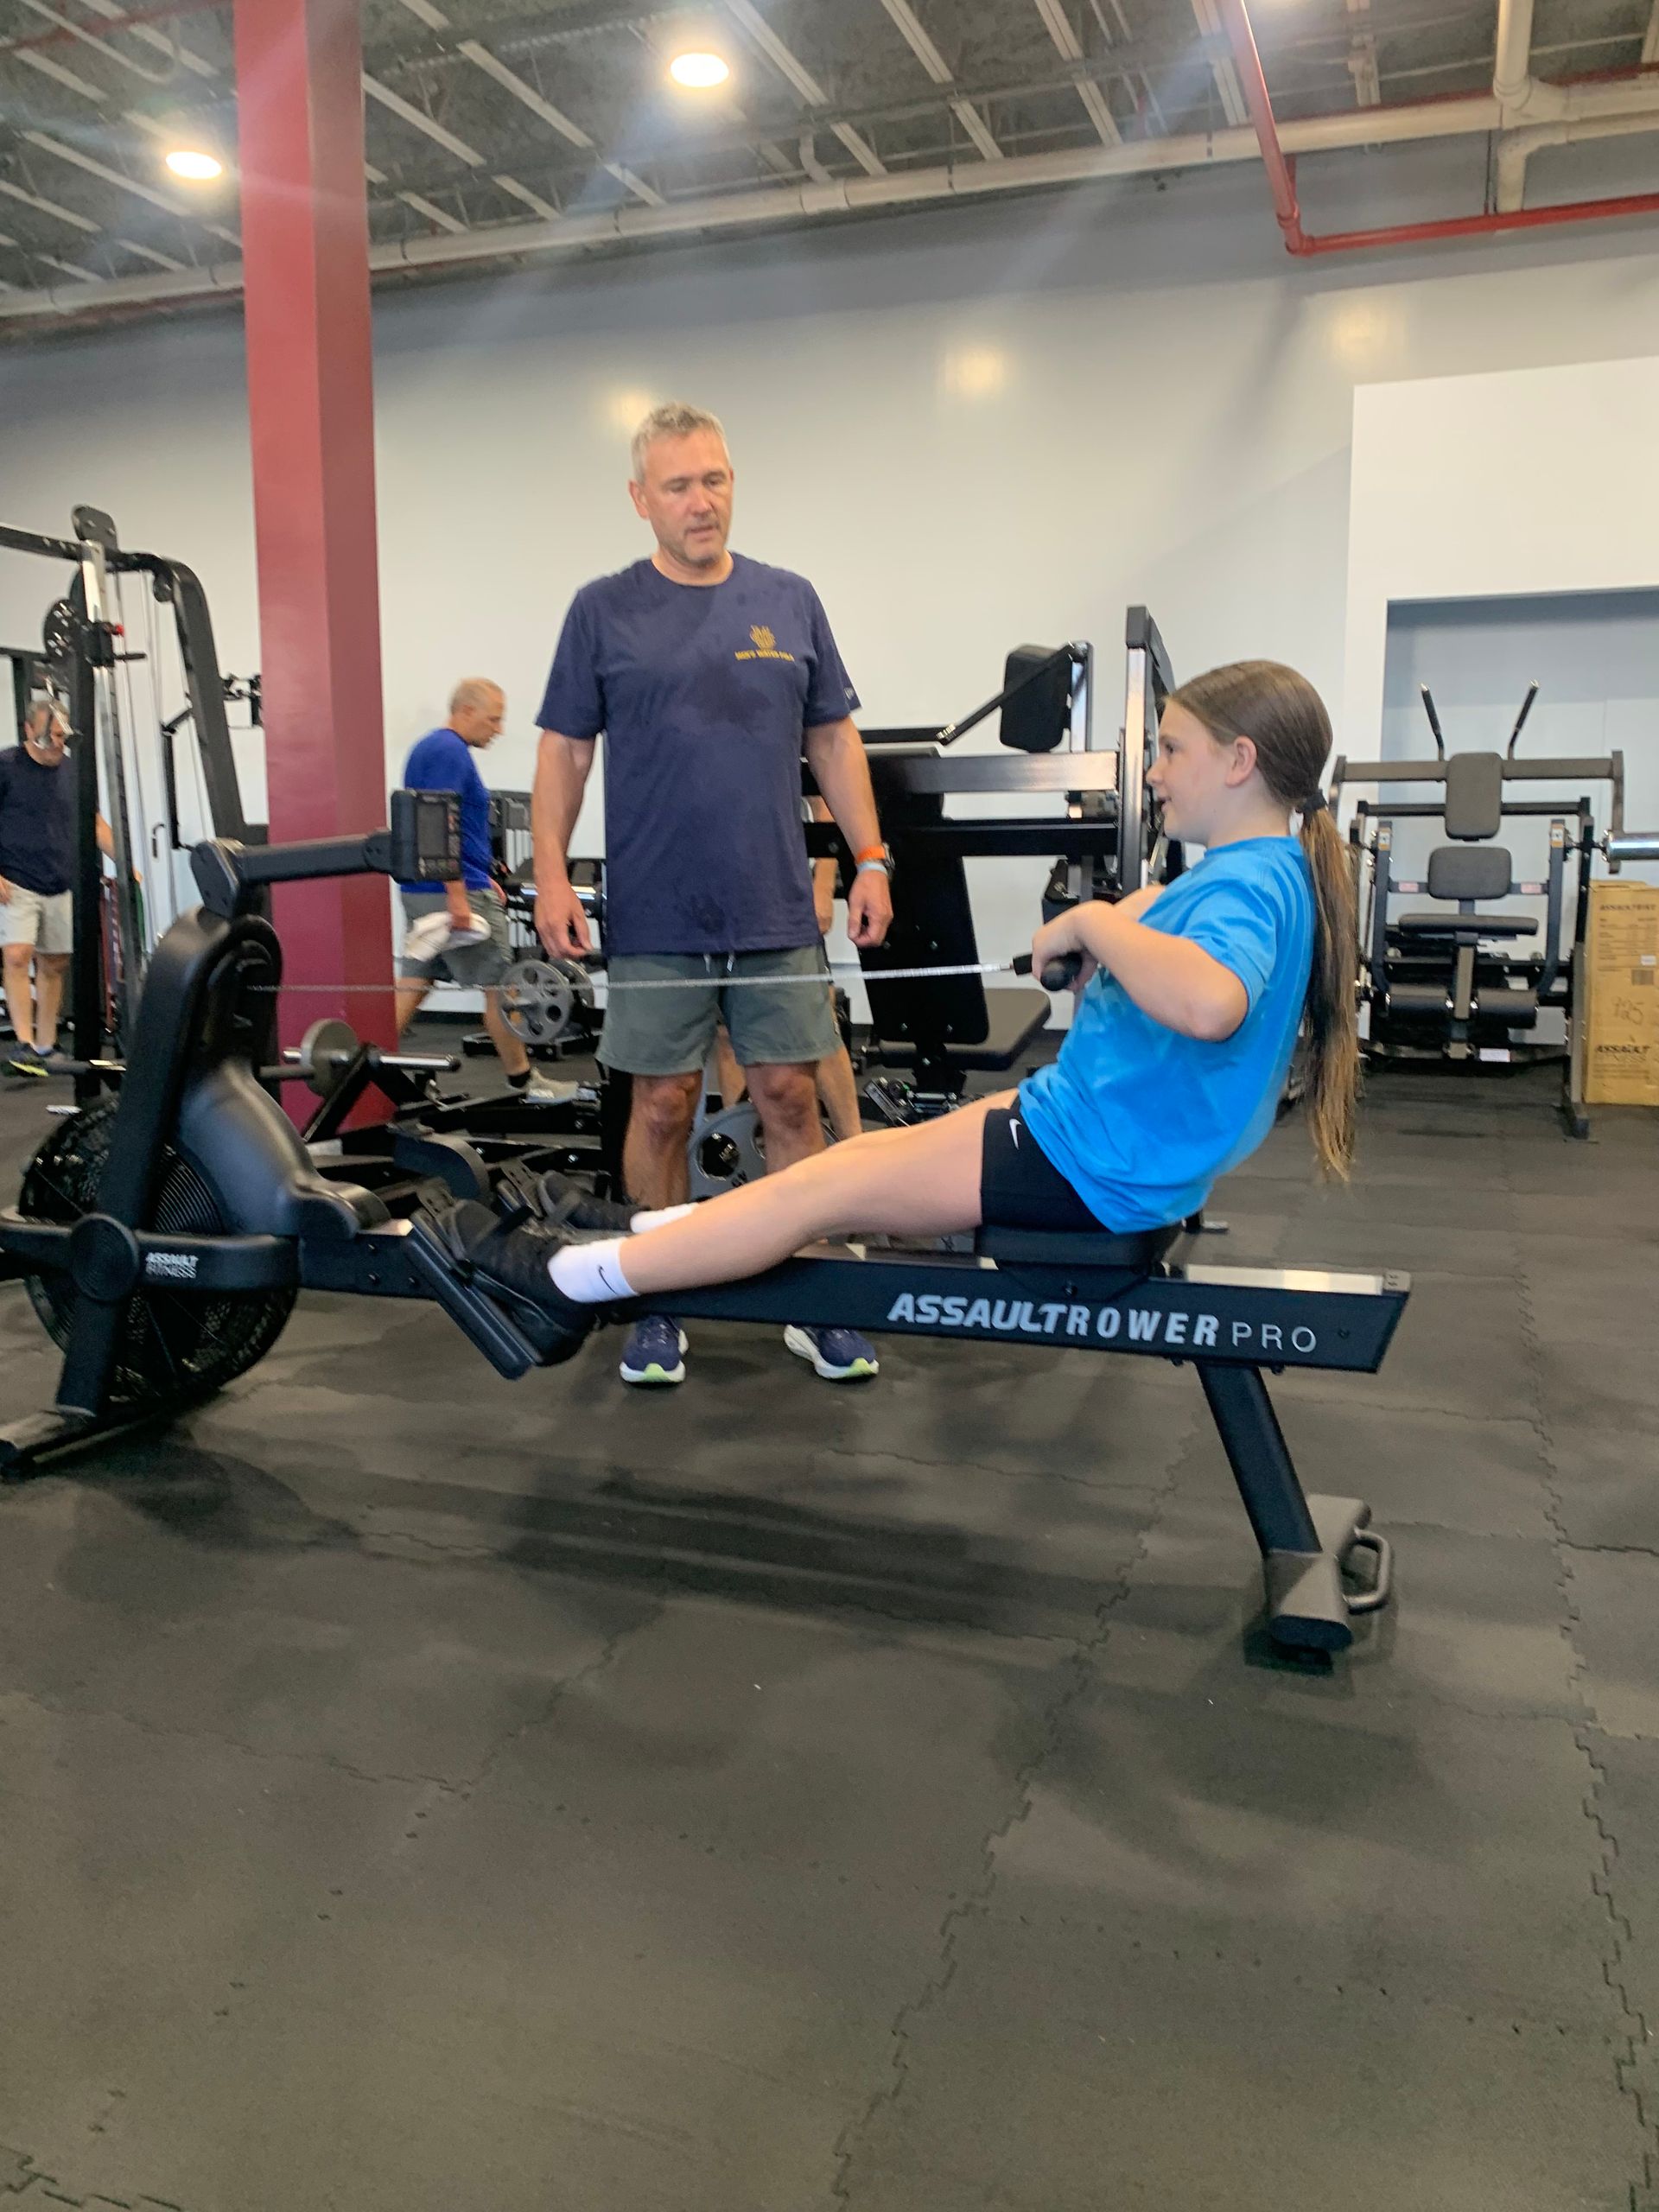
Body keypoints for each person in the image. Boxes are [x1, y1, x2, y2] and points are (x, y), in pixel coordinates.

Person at [449, 660, 1361, 1359]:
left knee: (821, 1191)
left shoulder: (1250, 885)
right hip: (1091, 1135)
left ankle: (569, 1281)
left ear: (1241, 763)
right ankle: (641, 1230)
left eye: (1173, 751)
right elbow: (1178, 986)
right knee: (853, 1163)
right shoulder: (1256, 873)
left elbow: (1208, 1004)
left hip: (1097, 1166)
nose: (1157, 773)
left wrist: (1089, 917)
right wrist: (1110, 951)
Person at [531, 400, 893, 1389]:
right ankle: (658, 1299)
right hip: (656, 911)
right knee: (660, 1107)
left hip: (773, 904)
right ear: (640, 497)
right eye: (682, 485)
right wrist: (551, 871)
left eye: (717, 479)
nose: (704, 502)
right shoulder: (602, 609)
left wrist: (871, 856)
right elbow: (565, 748)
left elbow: (833, 739)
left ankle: (813, 1296)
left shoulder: (790, 598)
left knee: (790, 1095)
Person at [397, 678, 568, 1102]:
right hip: (452, 892)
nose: (499, 729)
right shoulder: (447, 749)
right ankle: (524, 1083)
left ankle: (356, 1067)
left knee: (416, 982)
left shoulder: (434, 749)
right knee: (502, 986)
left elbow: (441, 824)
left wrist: (480, 873)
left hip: (435, 886)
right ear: (466, 711)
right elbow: (438, 823)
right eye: (493, 719)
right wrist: (459, 892)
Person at [0, 700, 118, 1078]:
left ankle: (46, 1045)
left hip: (59, 878)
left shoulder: (73, 772)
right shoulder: (6, 767)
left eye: (62, 738)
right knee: (18, 955)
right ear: (28, 731)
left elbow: (94, 822)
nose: (57, 746)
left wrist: (128, 863)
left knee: (55, 962)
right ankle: (23, 1043)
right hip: (14, 879)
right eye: (51, 737)